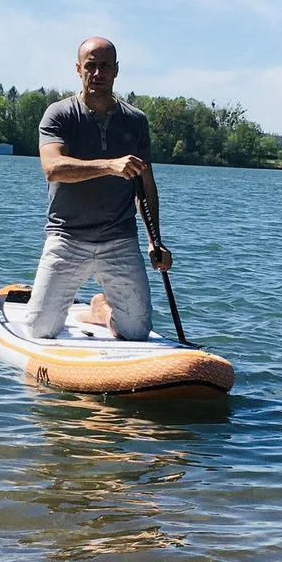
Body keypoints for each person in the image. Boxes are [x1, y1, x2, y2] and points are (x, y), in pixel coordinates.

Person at [25, 37, 172, 341]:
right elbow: (53, 168)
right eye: (90, 66)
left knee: (136, 332)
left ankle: (100, 309)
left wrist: (154, 241)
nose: (97, 73)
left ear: (116, 70)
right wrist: (109, 165)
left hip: (119, 239)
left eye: (105, 66)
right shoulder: (59, 114)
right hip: (67, 237)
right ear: (78, 69)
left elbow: (145, 184)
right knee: (40, 330)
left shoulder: (135, 120)